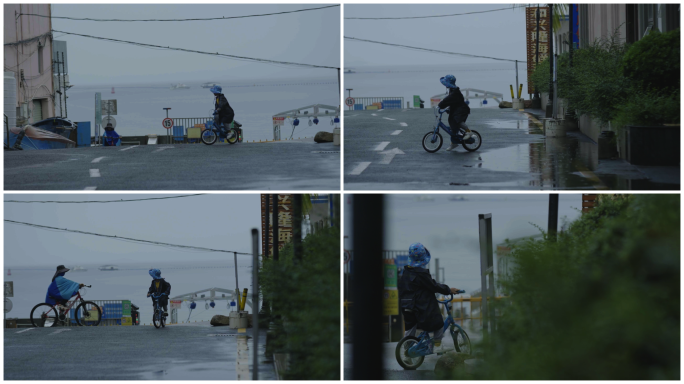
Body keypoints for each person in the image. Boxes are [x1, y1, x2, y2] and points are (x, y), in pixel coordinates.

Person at [398, 243, 461, 354]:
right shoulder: (421, 274)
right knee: (438, 321)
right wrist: (448, 289)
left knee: (410, 327)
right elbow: (433, 286)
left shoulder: (405, 273)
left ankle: (406, 349)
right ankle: (437, 345)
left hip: (406, 305)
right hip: (420, 306)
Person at [437, 74, 473, 151]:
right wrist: (447, 108)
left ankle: (468, 131)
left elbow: (448, 100)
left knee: (458, 121)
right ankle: (454, 143)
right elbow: (452, 102)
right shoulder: (452, 90)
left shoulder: (455, 92)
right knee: (453, 127)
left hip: (462, 110)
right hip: (456, 110)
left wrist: (441, 104)